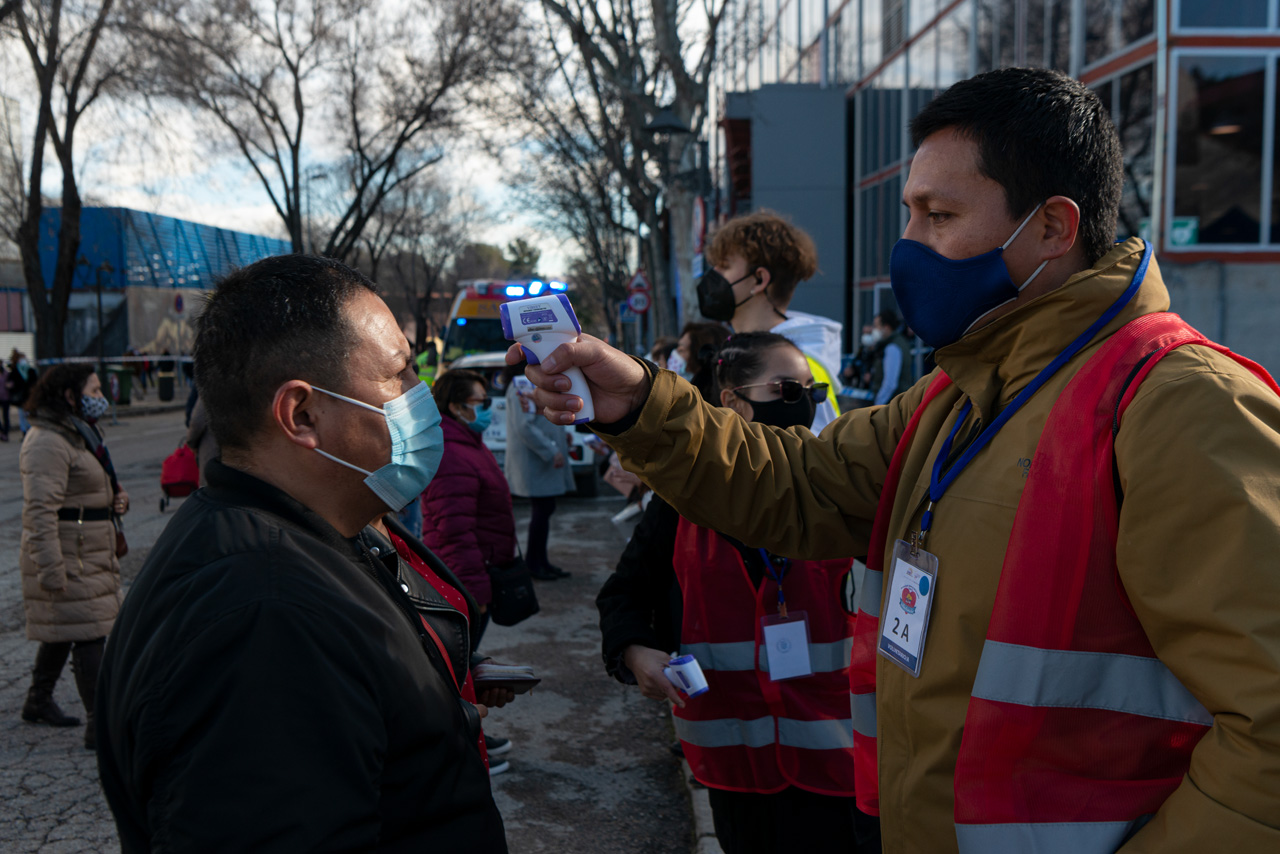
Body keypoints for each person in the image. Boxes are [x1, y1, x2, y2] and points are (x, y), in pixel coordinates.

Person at [514, 66, 1280, 853]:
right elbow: (795, 484)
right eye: (909, 212)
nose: (909, 245)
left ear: (1054, 227)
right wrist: (641, 402)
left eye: (939, 215)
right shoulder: (955, 397)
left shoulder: (1182, 407)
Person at [96, 255, 508, 852]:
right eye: (402, 376)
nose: (422, 398)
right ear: (303, 414)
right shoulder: (264, 619)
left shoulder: (320, 535)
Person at [598, 332, 878, 854]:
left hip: (838, 768)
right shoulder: (677, 504)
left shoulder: (836, 486)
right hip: (734, 772)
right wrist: (636, 653)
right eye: (786, 389)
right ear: (731, 400)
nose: (804, 404)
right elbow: (624, 596)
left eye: (811, 391)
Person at [19, 363, 129, 750]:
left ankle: (37, 700)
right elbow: (39, 512)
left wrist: (116, 498)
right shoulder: (48, 441)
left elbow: (89, 484)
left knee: (69, 625)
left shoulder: (78, 433)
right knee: (88, 632)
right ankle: (101, 725)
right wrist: (51, 568)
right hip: (70, 552)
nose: (101, 399)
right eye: (94, 391)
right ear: (70, 395)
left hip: (88, 546)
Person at [423, 368, 521, 773]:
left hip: (474, 569)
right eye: (479, 403)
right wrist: (471, 589)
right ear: (456, 406)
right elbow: (454, 527)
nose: (487, 410)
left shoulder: (466, 440)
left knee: (460, 668)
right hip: (463, 575)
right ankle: (462, 745)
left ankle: (471, 735)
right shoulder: (451, 449)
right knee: (453, 670)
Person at [697, 210, 844, 430]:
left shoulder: (800, 369)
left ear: (759, 279)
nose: (714, 274)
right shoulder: (743, 352)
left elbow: (813, 455)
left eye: (725, 265)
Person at [502, 360, 574, 581]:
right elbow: (525, 427)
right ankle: (534, 563)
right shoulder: (520, 385)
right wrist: (551, 450)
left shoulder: (528, 383)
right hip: (535, 460)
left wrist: (561, 439)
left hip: (541, 459)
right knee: (542, 510)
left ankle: (540, 561)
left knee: (545, 509)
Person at [867, 310, 913, 405]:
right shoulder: (896, 342)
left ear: (886, 327)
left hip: (892, 405)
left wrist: (878, 405)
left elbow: (890, 384)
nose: (874, 330)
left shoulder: (892, 347)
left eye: (876, 326)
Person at [8, 348, 36, 436]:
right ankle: (24, 431)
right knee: (22, 415)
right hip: (21, 397)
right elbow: (11, 381)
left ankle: (29, 430)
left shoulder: (30, 370)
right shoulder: (16, 371)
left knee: (28, 414)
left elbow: (35, 381)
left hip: (29, 395)